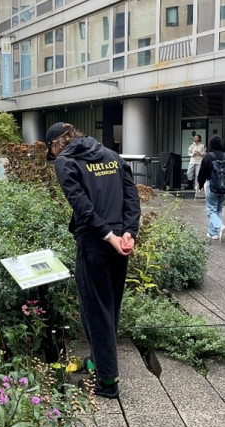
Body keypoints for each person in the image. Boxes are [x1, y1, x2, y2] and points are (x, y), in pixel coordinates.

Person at [45, 122, 141, 398]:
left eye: (51, 150)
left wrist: (109, 236)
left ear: (55, 144)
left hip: (95, 243)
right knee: (108, 307)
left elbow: (82, 206)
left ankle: (107, 383)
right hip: (118, 243)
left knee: (95, 310)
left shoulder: (66, 162)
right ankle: (99, 362)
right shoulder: (111, 155)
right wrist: (128, 233)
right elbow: (131, 198)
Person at [197, 135, 225, 242]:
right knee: (218, 209)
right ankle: (213, 233)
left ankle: (220, 226)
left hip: (212, 186)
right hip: (224, 187)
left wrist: (200, 185)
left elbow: (202, 173)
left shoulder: (208, 156)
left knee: (211, 210)